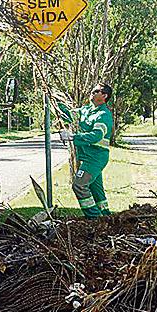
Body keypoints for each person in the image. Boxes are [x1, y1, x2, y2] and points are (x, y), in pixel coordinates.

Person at [57, 83, 114, 218]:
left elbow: (96, 135)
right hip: (89, 157)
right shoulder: (86, 110)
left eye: (96, 91)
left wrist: (72, 137)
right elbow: (68, 114)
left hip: (96, 158)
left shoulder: (103, 115)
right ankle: (106, 217)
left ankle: (94, 218)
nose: (92, 92)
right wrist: (53, 100)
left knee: (79, 185)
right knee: (97, 191)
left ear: (104, 96)